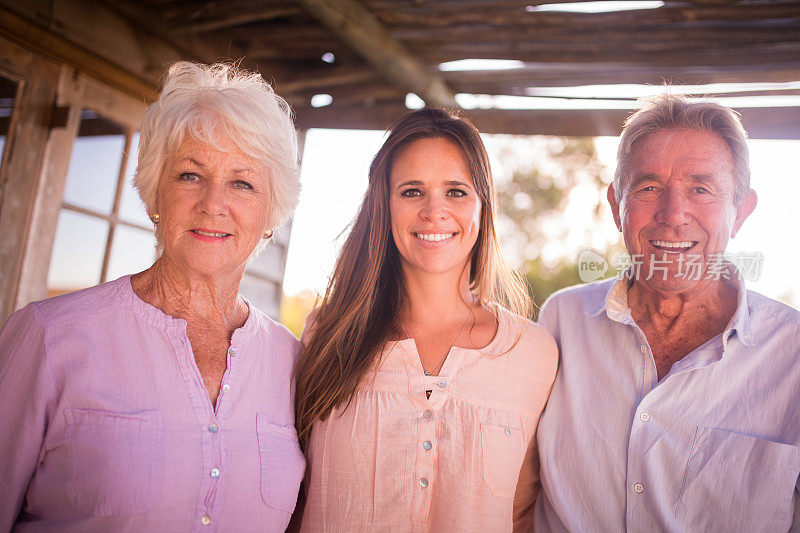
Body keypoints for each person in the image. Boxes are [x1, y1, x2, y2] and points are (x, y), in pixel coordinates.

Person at [0, 61, 305, 531]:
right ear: (155, 193)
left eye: (242, 182)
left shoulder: (294, 364)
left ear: (272, 212)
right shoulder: (49, 337)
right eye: (190, 175)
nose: (212, 204)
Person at [534, 94, 800, 531]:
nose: (674, 213)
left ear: (741, 211)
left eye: (701, 188)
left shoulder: (792, 353)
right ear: (617, 206)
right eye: (649, 187)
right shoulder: (561, 321)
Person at [293, 108, 558, 532]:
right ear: (385, 205)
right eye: (412, 191)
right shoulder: (327, 334)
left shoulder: (533, 353)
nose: (434, 211)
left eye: (456, 191)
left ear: (482, 205)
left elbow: (523, 512)